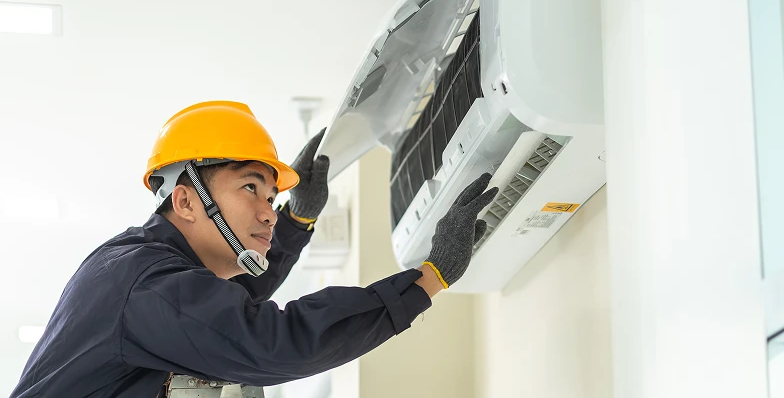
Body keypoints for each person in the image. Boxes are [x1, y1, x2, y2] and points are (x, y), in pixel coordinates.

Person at [10, 101, 498, 397]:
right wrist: (429, 279)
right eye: (250, 189)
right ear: (185, 201)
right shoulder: (144, 285)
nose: (267, 211)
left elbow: (221, 307)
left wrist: (296, 219)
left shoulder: (145, 268)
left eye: (273, 197)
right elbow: (272, 342)